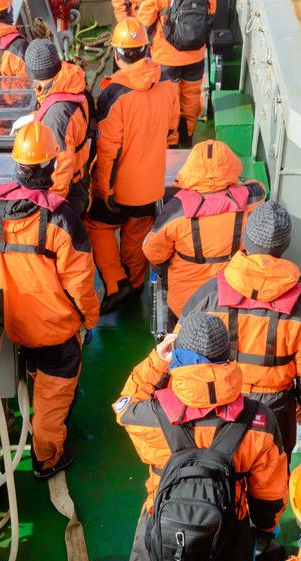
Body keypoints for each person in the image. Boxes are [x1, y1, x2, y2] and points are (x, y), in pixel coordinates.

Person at [114, 313, 287, 561]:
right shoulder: (260, 420)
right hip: (228, 534)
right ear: (228, 359)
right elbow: (270, 490)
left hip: (160, 532)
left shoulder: (150, 414)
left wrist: (155, 361)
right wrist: (262, 530)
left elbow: (124, 403)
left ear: (180, 359)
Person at [0, 119, 99, 478]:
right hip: (56, 331)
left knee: (35, 375)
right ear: (51, 165)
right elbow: (81, 283)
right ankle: (47, 458)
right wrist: (90, 319)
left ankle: (33, 425)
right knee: (53, 401)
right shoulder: (61, 219)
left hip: (15, 326)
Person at [179, 201, 301, 466]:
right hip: (275, 411)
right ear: (285, 245)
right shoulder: (298, 307)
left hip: (218, 406)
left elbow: (180, 357)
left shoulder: (208, 295)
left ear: (247, 238)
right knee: (271, 480)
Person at [84, 18, 179, 314]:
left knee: (97, 226)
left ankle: (115, 283)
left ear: (116, 55)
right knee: (136, 234)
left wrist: (102, 189)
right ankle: (136, 283)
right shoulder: (167, 84)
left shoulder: (114, 95)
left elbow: (107, 150)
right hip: (150, 186)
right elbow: (172, 132)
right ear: (146, 49)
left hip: (119, 188)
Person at [142, 140, 266, 326]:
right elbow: (258, 188)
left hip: (186, 303)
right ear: (231, 163)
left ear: (191, 166)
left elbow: (152, 252)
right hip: (234, 298)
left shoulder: (175, 211)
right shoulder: (253, 199)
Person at [23, 38, 94, 214]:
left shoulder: (55, 119)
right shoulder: (71, 81)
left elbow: (62, 168)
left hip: (69, 191)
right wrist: (36, 117)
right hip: (80, 176)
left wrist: (52, 207)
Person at [137, 0, 217, 147]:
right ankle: (188, 136)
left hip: (166, 58)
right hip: (196, 55)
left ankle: (171, 142)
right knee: (191, 97)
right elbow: (211, 10)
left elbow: (145, 19)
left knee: (169, 102)